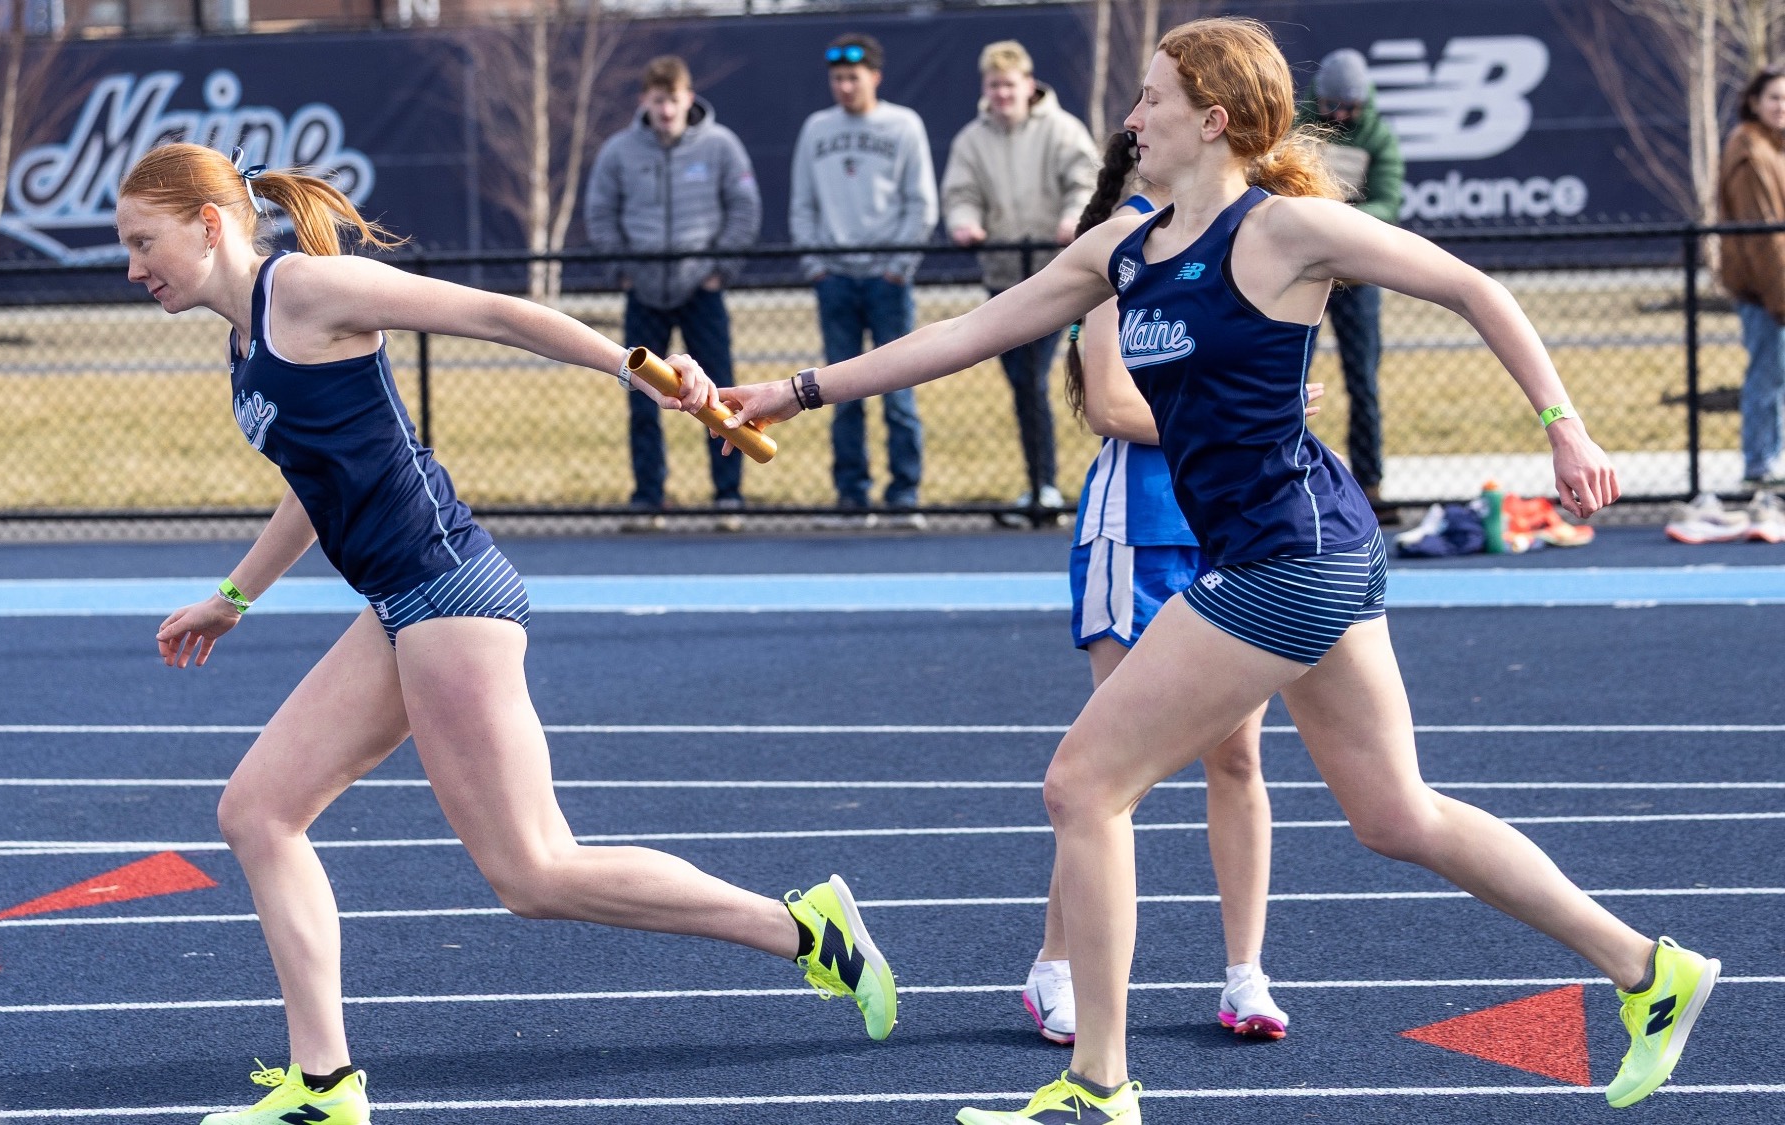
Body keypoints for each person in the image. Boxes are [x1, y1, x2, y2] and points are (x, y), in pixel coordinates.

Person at [723, 19, 1717, 1123]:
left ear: (1211, 119)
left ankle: (1098, 1084)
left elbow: (1475, 288)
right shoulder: (1124, 250)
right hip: (1302, 550)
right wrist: (797, 391)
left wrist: (1563, 429)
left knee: (1082, 787)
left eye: (1149, 98)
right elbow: (971, 331)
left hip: (1289, 555)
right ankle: (1648, 969)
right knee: (1394, 814)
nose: (1130, 118)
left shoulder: (1286, 231)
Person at [118, 142, 897, 1125]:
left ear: (207, 224)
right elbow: (316, 484)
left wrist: (631, 368)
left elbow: (492, 313)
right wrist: (234, 597)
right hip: (401, 604)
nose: (132, 268)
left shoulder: (306, 291)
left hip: (445, 592)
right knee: (258, 812)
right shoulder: (244, 343)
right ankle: (325, 1087)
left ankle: (807, 931)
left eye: (142, 242)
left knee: (533, 871)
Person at [1021, 129, 1298, 1050]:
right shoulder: (1124, 254)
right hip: (1135, 532)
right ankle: (1056, 965)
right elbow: (1108, 402)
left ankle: (1246, 972)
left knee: (1239, 759)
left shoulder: (1244, 252)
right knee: (1108, 774)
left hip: (1227, 537)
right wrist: (1220, 414)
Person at [586, 55, 761, 530]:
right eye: (658, 100)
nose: (666, 110)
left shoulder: (721, 146)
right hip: (643, 293)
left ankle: (728, 497)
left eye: (674, 100)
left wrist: (718, 271)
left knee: (719, 395)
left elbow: (743, 208)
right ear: (645, 99)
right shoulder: (619, 152)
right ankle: (648, 499)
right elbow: (600, 214)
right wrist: (623, 272)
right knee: (640, 394)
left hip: (702, 292)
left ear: (689, 98)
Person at [941, 40, 1101, 525]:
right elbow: (961, 193)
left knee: (1034, 379)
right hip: (1003, 277)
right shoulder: (971, 140)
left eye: (1009, 85)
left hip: (1057, 276)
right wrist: (965, 223)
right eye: (994, 85)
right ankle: (1039, 485)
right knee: (1020, 383)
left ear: (1028, 85)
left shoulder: (1062, 130)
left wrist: (1074, 218)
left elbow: (1086, 181)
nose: (1002, 94)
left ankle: (1048, 488)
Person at [789, 32, 937, 525]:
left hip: (887, 281)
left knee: (899, 391)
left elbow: (921, 203)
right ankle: (852, 496)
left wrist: (899, 266)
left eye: (853, 77)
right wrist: (816, 267)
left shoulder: (904, 125)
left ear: (875, 76)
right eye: (837, 78)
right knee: (834, 390)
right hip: (835, 280)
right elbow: (802, 204)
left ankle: (904, 496)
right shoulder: (816, 128)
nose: (845, 87)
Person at [1296, 47, 1403, 509]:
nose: (1338, 115)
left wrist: (1335, 219)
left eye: (1348, 107)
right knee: (1290, 381)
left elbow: (1388, 202)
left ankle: (1370, 485)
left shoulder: (1377, 137)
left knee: (1363, 382)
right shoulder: (1297, 125)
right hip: (1302, 276)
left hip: (1356, 279)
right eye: (1331, 105)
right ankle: (1292, 476)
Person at [1718, 63, 1785, 489]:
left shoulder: (1775, 146)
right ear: (1755, 102)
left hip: (1778, 290)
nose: (1782, 106)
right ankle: (1761, 465)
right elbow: (1764, 239)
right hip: (1766, 293)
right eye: (1775, 98)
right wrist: (1781, 300)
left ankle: (1771, 460)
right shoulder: (1750, 150)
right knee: (1767, 375)